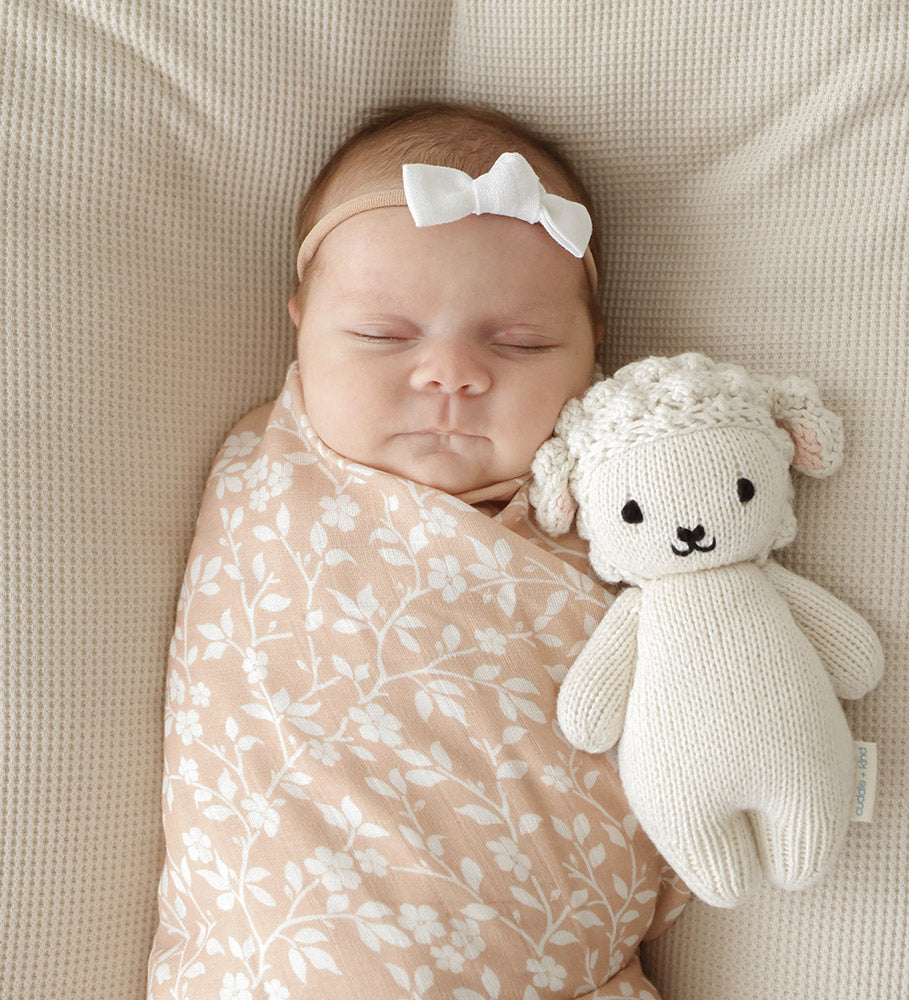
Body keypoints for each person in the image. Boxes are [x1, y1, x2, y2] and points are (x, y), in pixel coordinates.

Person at [147, 102, 687, 1000]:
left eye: (520, 343)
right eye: (382, 336)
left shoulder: (622, 509)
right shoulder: (270, 470)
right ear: (300, 327)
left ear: (594, 357)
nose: (450, 373)